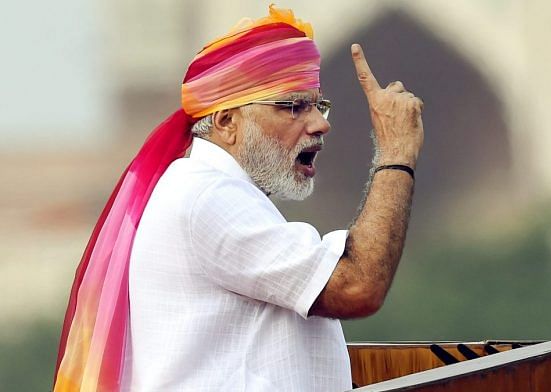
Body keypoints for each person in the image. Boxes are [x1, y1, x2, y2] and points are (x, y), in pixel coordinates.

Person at [54, 6, 423, 391]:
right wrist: (396, 153)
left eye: (318, 105)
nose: (320, 124)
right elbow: (355, 287)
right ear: (228, 122)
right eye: (294, 106)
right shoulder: (208, 196)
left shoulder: (208, 190)